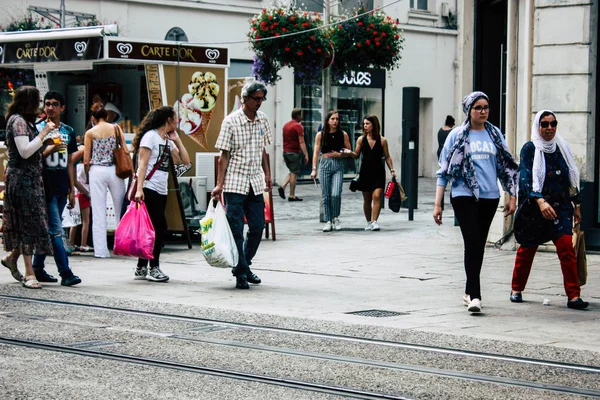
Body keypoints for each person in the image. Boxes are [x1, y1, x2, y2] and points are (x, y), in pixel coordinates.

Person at [433, 91, 519, 313]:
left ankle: (468, 291)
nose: (483, 111)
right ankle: (476, 296)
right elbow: (443, 170)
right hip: (463, 193)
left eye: (486, 107)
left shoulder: (495, 135)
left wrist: (512, 195)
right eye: (478, 108)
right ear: (469, 110)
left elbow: (506, 168)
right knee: (472, 241)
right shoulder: (457, 135)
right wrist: (438, 203)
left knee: (478, 245)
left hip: (490, 196)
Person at [510, 110, 588, 310]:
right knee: (527, 249)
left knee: (566, 248)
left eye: (553, 124)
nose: (549, 128)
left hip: (561, 207)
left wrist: (576, 205)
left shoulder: (561, 147)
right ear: (538, 127)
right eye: (544, 124)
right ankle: (516, 289)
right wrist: (540, 201)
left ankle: (573, 296)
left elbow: (571, 178)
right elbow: (526, 179)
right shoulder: (529, 149)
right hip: (536, 208)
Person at [211, 79, 273, 290]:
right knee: (236, 229)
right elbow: (224, 155)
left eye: (262, 99)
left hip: (255, 181)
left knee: (257, 226)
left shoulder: (263, 119)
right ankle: (241, 273)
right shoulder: (230, 121)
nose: (259, 103)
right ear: (245, 98)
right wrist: (219, 184)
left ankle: (243, 266)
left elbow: (264, 150)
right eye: (256, 99)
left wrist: (268, 174)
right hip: (235, 183)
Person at [1, 86, 53, 288]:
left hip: (31, 179)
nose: (41, 104)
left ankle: (12, 258)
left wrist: (43, 141)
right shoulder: (18, 122)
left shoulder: (22, 121)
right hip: (22, 181)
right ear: (30, 101)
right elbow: (24, 152)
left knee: (33, 224)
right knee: (28, 225)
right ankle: (29, 273)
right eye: (38, 100)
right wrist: (44, 134)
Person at [133, 106, 190, 282]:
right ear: (168, 120)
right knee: (159, 227)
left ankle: (141, 267)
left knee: (151, 228)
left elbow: (185, 162)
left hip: (162, 188)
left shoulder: (167, 140)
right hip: (149, 187)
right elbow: (142, 165)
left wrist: (178, 141)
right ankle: (153, 267)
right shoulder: (150, 137)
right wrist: (139, 188)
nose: (177, 121)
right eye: (175, 118)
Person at [32, 91, 81, 286]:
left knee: (50, 228)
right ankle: (65, 272)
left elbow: (70, 162)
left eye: (54, 104)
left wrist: (72, 189)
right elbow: (33, 157)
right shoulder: (37, 128)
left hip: (61, 185)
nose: (50, 107)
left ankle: (37, 267)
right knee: (55, 229)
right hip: (45, 185)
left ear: (62, 108)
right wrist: (49, 148)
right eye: (47, 104)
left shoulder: (68, 131)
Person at [84, 102, 128, 258]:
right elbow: (125, 149)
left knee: (98, 212)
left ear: (94, 119)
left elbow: (86, 160)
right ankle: (123, 247)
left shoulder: (90, 133)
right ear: (107, 116)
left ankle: (101, 251)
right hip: (115, 170)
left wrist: (87, 175)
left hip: (97, 171)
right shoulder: (116, 128)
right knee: (120, 211)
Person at [352, 115, 396, 231]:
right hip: (365, 172)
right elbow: (356, 154)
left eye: (367, 124)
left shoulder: (382, 140)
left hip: (378, 172)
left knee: (376, 196)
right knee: (367, 199)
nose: (365, 126)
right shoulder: (361, 139)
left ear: (374, 125)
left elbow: (387, 156)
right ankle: (368, 222)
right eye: (364, 124)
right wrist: (347, 153)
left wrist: (392, 170)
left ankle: (374, 221)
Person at [311, 110, 352, 232]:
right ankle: (328, 220)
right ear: (328, 120)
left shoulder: (343, 134)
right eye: (333, 119)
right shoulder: (321, 134)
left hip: (338, 165)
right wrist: (314, 169)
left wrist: (339, 154)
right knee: (326, 195)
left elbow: (349, 151)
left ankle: (335, 217)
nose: (335, 121)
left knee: (336, 193)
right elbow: (316, 152)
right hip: (324, 164)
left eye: (337, 119)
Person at [279, 108, 309, 201]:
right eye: (301, 114)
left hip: (286, 152)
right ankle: (292, 195)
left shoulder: (286, 125)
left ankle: (283, 186)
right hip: (294, 152)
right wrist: (306, 154)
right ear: (298, 115)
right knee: (294, 173)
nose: (302, 116)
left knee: (293, 171)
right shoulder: (298, 126)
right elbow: (301, 141)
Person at [69, 143, 93, 252]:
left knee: (74, 221)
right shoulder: (86, 167)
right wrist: (88, 194)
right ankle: (83, 244)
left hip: (77, 194)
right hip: (85, 194)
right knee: (86, 221)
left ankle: (71, 243)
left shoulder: (75, 166)